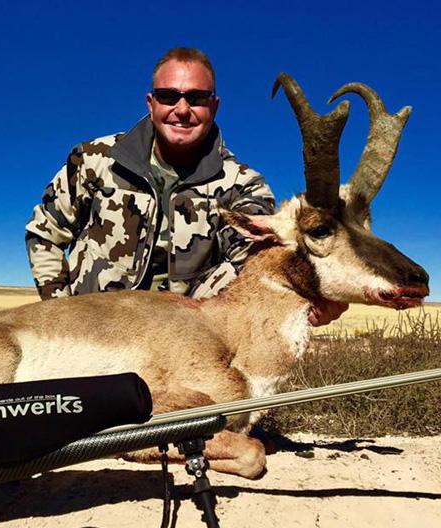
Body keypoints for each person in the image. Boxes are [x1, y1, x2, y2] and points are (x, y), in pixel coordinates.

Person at [26, 47, 347, 325]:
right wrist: (62, 316)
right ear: (151, 103)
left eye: (196, 98)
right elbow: (45, 233)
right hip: (91, 340)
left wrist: (309, 296)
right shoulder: (95, 159)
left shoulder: (244, 187)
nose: (181, 109)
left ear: (214, 105)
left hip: (187, 351)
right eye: (168, 96)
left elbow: (254, 266)